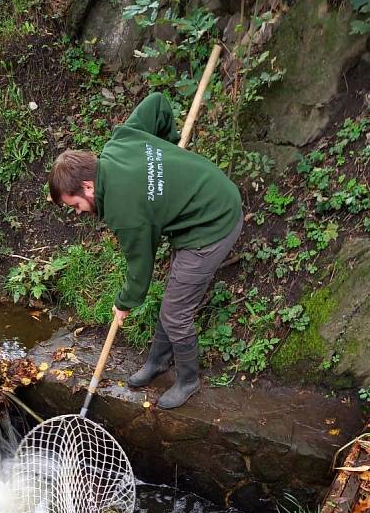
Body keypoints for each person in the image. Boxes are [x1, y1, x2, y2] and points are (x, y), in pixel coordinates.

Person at [48, 92, 243, 409]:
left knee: (176, 312)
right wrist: (166, 145)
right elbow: (157, 103)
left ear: (87, 187)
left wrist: (124, 302)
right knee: (174, 298)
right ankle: (158, 361)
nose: (79, 213)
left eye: (76, 205)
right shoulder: (118, 145)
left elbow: (140, 270)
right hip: (201, 203)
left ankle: (188, 380)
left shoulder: (125, 211)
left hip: (213, 222)